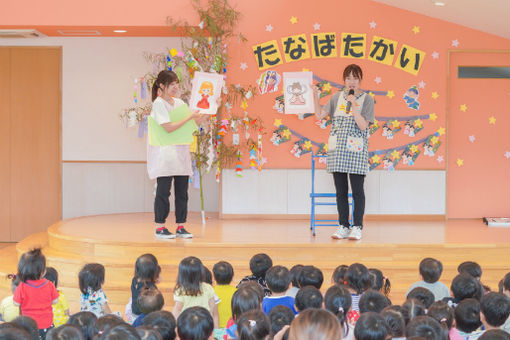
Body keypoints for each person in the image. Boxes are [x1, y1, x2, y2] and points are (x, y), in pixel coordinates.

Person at [313, 64, 375, 240]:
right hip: (338, 149)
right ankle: (343, 226)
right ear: (344, 80)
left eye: (355, 78)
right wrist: (315, 96)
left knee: (357, 191)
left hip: (356, 151)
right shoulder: (335, 97)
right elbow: (319, 115)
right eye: (348, 78)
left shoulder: (367, 99)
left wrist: (354, 104)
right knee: (340, 191)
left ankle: (357, 227)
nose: (351, 82)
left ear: (360, 80)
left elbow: (363, 125)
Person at [148, 70, 208, 240]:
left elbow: (194, 122)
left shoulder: (180, 103)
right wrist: (189, 116)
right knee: (163, 192)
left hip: (181, 154)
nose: (175, 87)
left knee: (182, 192)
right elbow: (168, 127)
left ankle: (181, 226)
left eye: (176, 83)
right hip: (165, 155)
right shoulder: (158, 104)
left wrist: (212, 107)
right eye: (172, 84)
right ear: (162, 85)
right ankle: (160, 227)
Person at [13, 248, 60, 340]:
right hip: (46, 324)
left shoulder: (22, 287)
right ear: (42, 271)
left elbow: (16, 303)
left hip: (28, 325)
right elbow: (55, 301)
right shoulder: (49, 284)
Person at [172, 256, 219, 328]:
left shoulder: (180, 291)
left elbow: (176, 313)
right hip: (204, 325)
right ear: (201, 272)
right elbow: (213, 311)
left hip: (188, 326)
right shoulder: (208, 288)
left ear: (182, 275)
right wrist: (215, 330)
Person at [127, 254, 161, 323]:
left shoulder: (135, 279)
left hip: (132, 311)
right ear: (153, 273)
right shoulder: (151, 288)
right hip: (141, 317)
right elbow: (154, 306)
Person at [213, 261, 237, 328]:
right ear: (232, 277)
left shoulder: (211, 292)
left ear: (214, 277)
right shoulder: (237, 292)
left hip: (215, 329)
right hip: (232, 330)